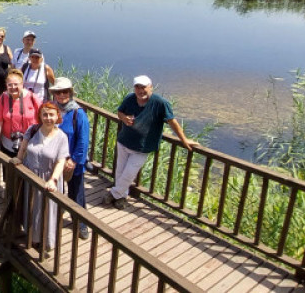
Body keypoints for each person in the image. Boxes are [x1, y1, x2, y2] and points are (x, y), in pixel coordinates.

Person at [109, 75, 198, 209]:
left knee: (128, 174)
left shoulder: (160, 103)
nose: (140, 90)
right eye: (137, 87)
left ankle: (114, 194)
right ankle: (121, 198)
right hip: (124, 142)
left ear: (151, 87)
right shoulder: (130, 98)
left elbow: (172, 122)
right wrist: (124, 118)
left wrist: (184, 140)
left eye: (143, 87)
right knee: (120, 172)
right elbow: (120, 112)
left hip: (142, 147)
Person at [15, 102, 69, 253]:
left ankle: (46, 241)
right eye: (45, 114)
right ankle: (32, 236)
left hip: (48, 180)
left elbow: (61, 161)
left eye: (51, 114)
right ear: (40, 116)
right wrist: (18, 160)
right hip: (30, 176)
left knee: (47, 211)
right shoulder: (32, 130)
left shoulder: (62, 137)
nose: (48, 118)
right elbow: (24, 147)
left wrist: (53, 180)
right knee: (30, 208)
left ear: (57, 116)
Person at [50, 77, 91, 240]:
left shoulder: (78, 113)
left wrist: (74, 160)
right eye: (58, 92)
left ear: (70, 93)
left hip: (72, 162)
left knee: (76, 194)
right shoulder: (52, 108)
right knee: (56, 190)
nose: (61, 95)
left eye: (65, 91)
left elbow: (83, 141)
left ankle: (81, 224)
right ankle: (54, 218)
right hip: (54, 160)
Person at [0, 69, 40, 157]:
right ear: (6, 85)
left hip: (30, 144)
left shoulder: (32, 97)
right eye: (10, 85)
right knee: (7, 169)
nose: (13, 87)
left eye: (16, 84)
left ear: (22, 84)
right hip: (8, 144)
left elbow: (42, 118)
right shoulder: (3, 98)